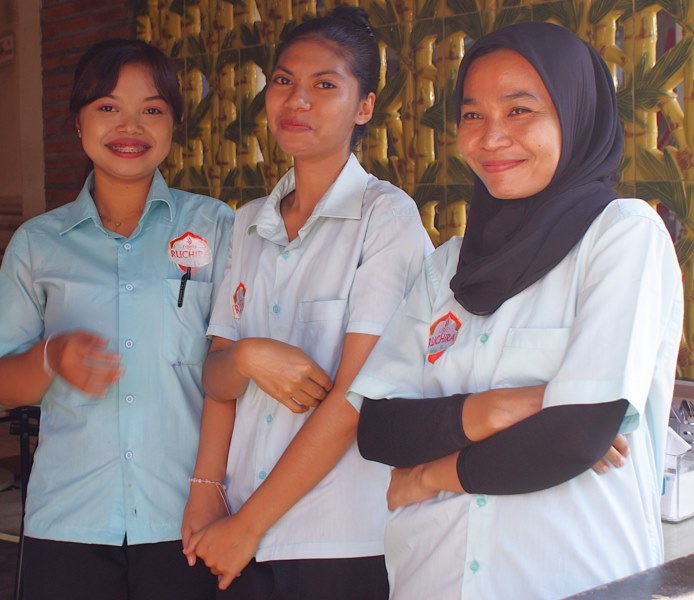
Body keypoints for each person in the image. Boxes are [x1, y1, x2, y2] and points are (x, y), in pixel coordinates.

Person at [348, 21, 683, 600]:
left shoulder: (622, 235)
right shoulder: (448, 267)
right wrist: (508, 407)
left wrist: (429, 474)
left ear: (575, 116)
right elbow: (378, 429)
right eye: (472, 115)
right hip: (433, 577)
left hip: (576, 578)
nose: (490, 137)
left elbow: (572, 438)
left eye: (520, 110)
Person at [181, 6, 433, 599]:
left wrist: (248, 524)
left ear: (364, 106)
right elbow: (216, 376)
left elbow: (356, 397)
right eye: (283, 80)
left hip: (339, 536)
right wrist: (206, 489)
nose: (296, 100)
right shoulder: (249, 223)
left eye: (325, 85)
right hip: (238, 528)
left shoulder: (385, 218)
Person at [0, 39, 233, 599]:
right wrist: (51, 358)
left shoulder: (216, 226)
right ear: (78, 122)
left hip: (188, 516)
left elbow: (231, 370)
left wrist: (209, 487)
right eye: (108, 106)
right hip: (69, 519)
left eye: (152, 109)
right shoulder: (37, 244)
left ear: (173, 125)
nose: (131, 126)